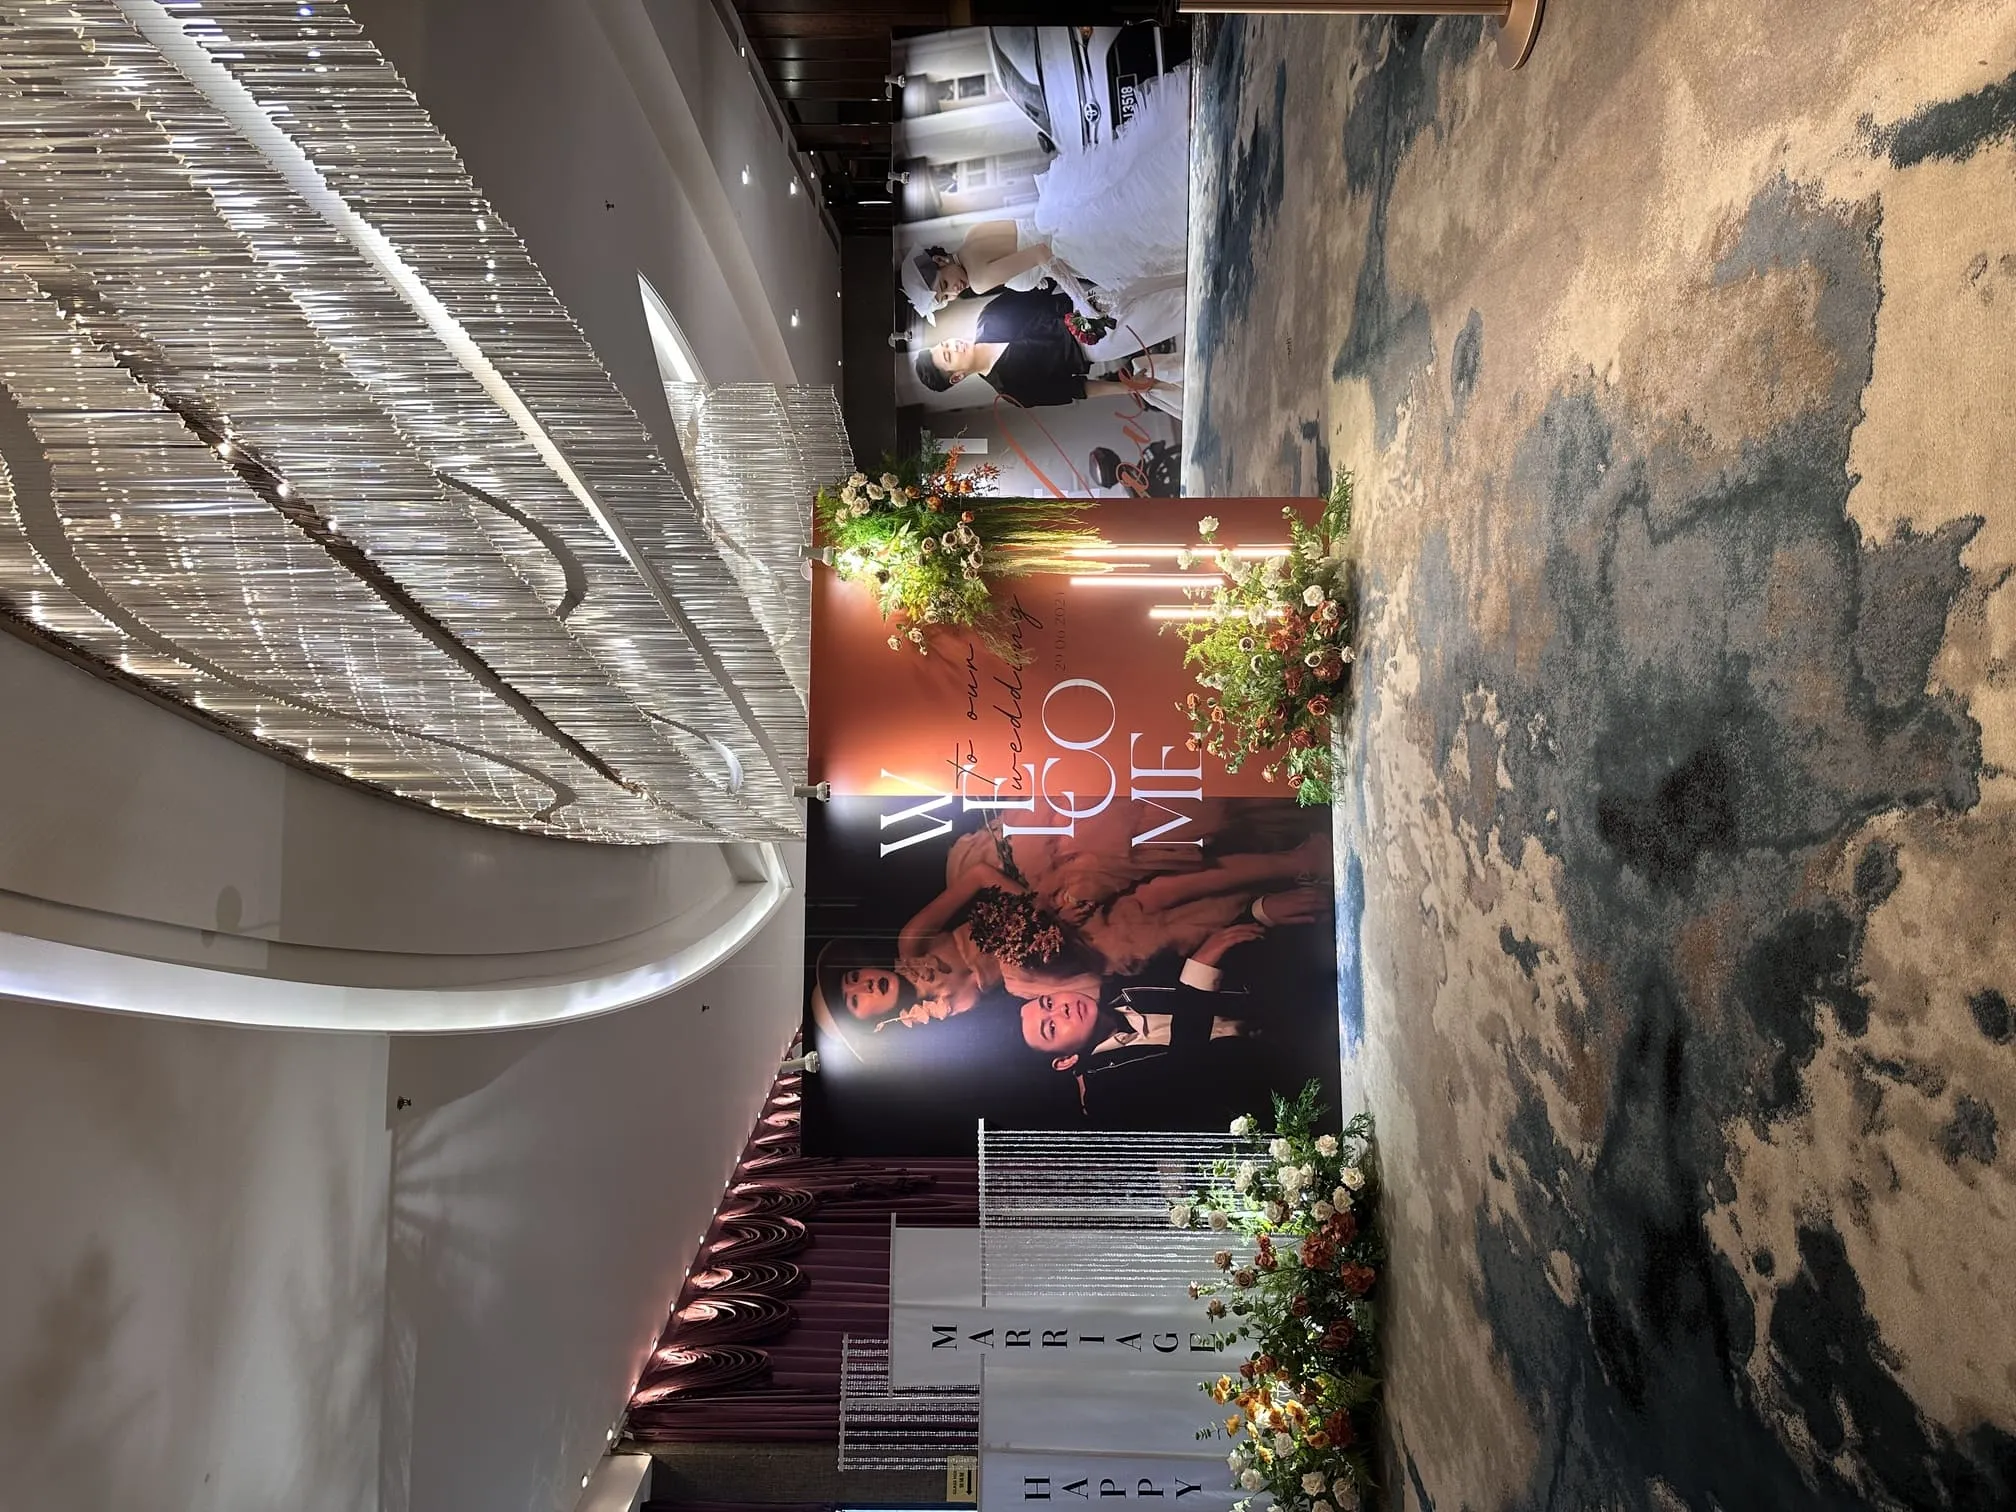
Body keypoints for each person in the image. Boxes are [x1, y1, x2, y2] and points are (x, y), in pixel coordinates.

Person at [1016, 916, 1341, 1130]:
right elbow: (1190, 1070)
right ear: (1065, 1061)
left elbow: (1229, 955)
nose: (1061, 1010)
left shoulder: (1127, 986)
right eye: (1051, 1028)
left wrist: (1260, 911)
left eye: (1049, 1003)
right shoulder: (1102, 1095)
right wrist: (1201, 966)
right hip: (1300, 1092)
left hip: (1314, 1014)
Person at [914, 288, 1171, 410]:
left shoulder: (989, 317)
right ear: (956, 377)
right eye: (948, 355)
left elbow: (1041, 286)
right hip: (1097, 343)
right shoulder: (1010, 389)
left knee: (1160, 278)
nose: (953, 345)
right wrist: (1127, 388)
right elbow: (1076, 388)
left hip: (1089, 295)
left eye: (945, 343)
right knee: (1169, 309)